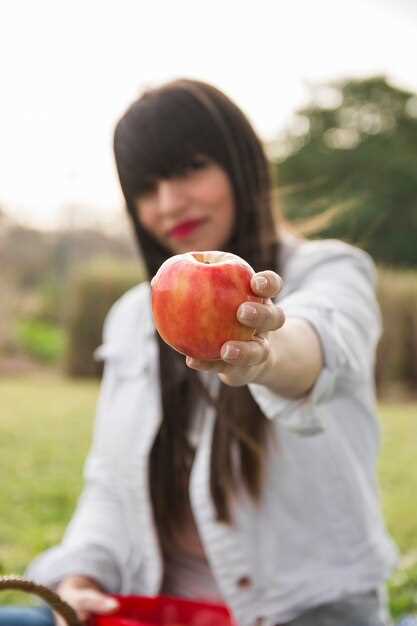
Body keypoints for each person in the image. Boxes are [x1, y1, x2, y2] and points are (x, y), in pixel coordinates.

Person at [0, 79, 398, 626]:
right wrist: (82, 578)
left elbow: (321, 347)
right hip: (151, 610)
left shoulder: (332, 271)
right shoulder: (132, 318)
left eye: (188, 169)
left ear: (242, 163)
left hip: (299, 614)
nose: (168, 205)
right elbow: (111, 486)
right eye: (146, 188)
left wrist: (264, 354)